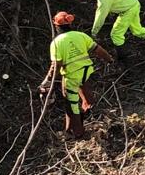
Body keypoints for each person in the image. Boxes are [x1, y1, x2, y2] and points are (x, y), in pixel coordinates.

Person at [39, 11, 113, 140]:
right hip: (86, 72)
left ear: (56, 26)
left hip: (71, 77)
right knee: (86, 97)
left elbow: (56, 65)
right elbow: (97, 49)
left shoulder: (56, 42)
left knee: (71, 105)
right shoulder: (81, 36)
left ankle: (78, 133)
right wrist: (109, 59)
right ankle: (81, 119)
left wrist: (48, 80)